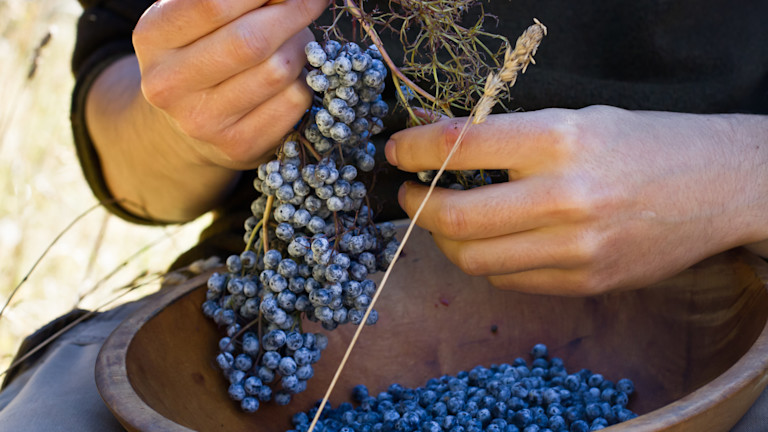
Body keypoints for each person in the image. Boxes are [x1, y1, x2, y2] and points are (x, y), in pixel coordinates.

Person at [0, 0, 766, 430]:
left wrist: (736, 170)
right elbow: (132, 167)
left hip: (732, 299)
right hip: (280, 302)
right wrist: (190, 120)